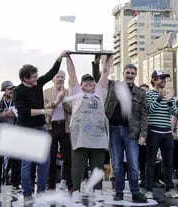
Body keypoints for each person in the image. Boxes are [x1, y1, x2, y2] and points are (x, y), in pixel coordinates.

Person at [13, 50, 68, 200]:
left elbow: (51, 73)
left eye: (37, 75)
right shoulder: (18, 91)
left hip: (41, 128)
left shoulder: (38, 84)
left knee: (45, 161)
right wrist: (45, 110)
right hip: (26, 130)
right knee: (27, 163)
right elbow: (23, 112)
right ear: (25, 78)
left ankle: (41, 191)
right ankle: (27, 193)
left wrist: (59, 58)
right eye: (34, 77)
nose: (37, 79)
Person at [66, 54, 111, 199]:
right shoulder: (76, 93)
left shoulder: (100, 93)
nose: (89, 83)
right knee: (78, 164)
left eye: (91, 82)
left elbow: (105, 74)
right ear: (81, 85)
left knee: (97, 165)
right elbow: (71, 75)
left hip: (98, 135)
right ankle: (76, 189)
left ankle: (97, 189)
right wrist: (68, 58)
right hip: (80, 135)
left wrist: (109, 59)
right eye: (86, 82)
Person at [104, 63, 148, 203]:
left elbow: (144, 115)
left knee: (133, 163)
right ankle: (119, 192)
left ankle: (135, 193)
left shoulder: (140, 93)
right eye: (127, 73)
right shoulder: (113, 86)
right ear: (123, 73)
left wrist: (143, 134)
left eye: (132, 73)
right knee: (116, 163)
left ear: (135, 75)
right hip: (113, 129)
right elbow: (102, 76)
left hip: (132, 132)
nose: (130, 75)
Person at [144, 70, 178, 199]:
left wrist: (169, 100)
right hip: (153, 130)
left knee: (168, 163)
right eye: (161, 78)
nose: (163, 81)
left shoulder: (169, 94)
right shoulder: (148, 94)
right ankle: (148, 189)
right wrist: (160, 98)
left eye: (165, 79)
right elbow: (149, 111)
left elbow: (175, 111)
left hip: (167, 131)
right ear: (154, 80)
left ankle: (170, 188)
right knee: (150, 162)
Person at [43, 70, 72, 191]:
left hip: (65, 127)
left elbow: (72, 109)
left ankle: (68, 182)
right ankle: (51, 185)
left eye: (62, 77)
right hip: (51, 126)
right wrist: (56, 102)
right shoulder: (46, 92)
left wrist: (64, 100)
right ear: (52, 79)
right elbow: (44, 108)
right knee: (51, 156)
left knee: (68, 157)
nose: (60, 79)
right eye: (57, 76)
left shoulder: (69, 92)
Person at [0, 81, 20, 192]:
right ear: (3, 90)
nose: (12, 91)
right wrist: (5, 114)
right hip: (0, 135)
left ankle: (15, 183)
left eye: (12, 88)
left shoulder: (16, 101)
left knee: (15, 161)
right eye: (9, 89)